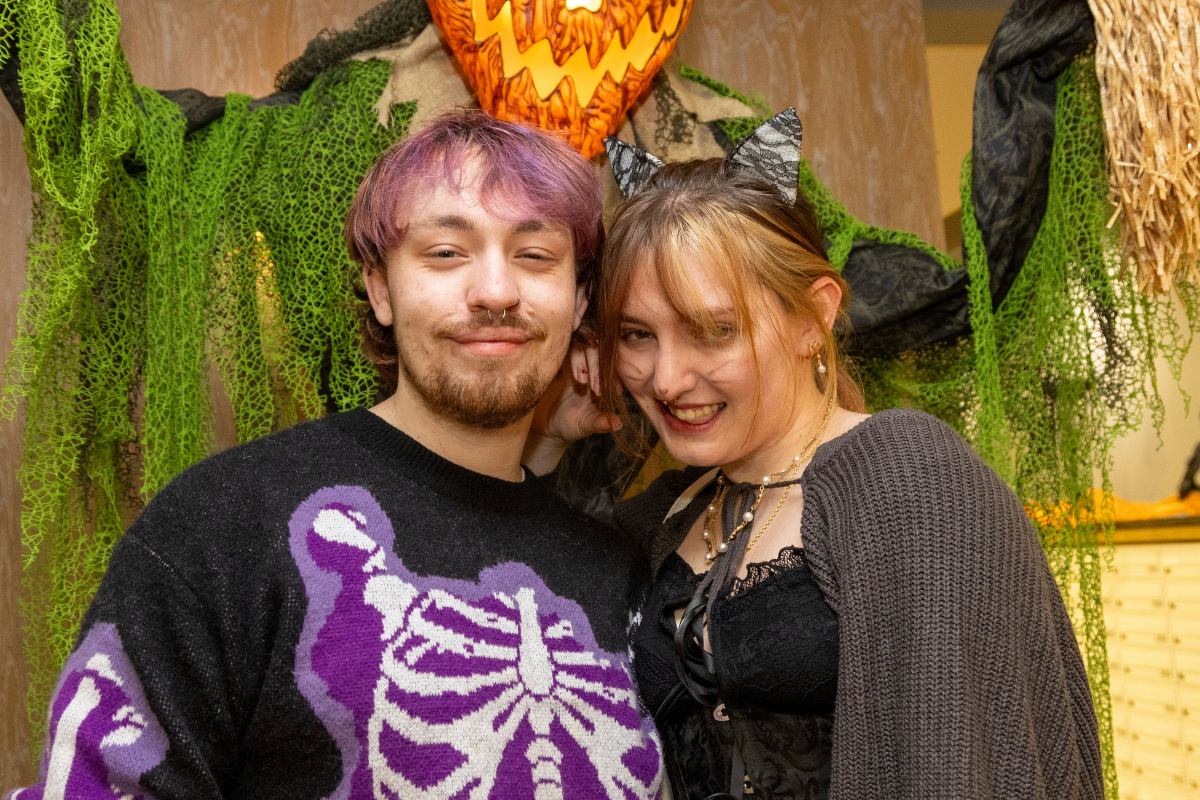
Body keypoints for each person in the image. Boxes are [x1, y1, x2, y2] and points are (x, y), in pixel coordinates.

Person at [6, 111, 663, 800]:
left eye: (535, 256)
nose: (496, 292)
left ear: (578, 300)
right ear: (381, 290)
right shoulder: (224, 525)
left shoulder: (619, 571)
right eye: (446, 252)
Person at [532, 110, 1105, 800]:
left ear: (813, 317)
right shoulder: (665, 517)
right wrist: (549, 436)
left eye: (712, 330)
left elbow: (964, 765)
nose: (667, 379)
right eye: (637, 335)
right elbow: (505, 598)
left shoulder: (912, 479)